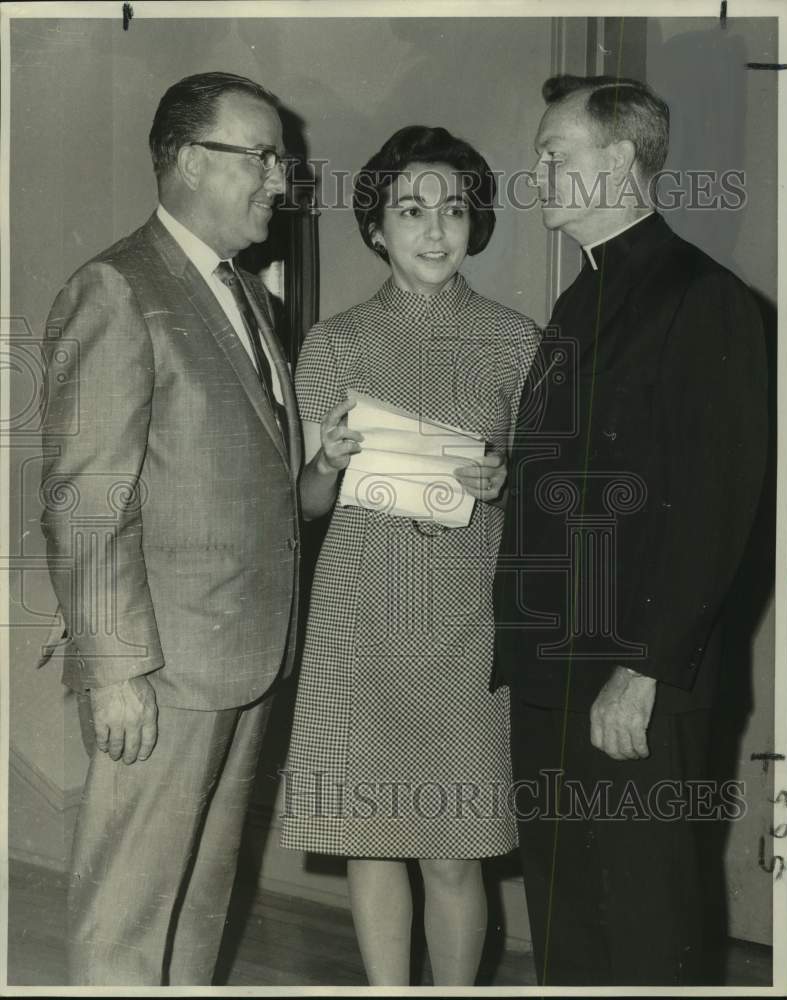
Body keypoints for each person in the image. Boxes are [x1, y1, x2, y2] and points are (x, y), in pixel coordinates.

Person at [493, 74, 768, 986]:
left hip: (629, 678)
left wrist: (644, 671)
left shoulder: (703, 298)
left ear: (618, 161)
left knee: (644, 926)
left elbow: (712, 509)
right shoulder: (581, 299)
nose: (533, 174)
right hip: (549, 668)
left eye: (552, 155)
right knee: (566, 919)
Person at [39, 71, 302, 986]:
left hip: (243, 656)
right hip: (161, 668)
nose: (282, 176)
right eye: (262, 155)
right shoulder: (118, 288)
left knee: (199, 901)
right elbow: (86, 501)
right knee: (127, 916)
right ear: (190, 161)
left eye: (282, 156)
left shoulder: (249, 297)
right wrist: (114, 669)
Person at [280, 125, 540, 986]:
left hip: (464, 624)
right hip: (359, 617)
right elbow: (308, 505)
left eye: (454, 209)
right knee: (370, 836)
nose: (435, 229)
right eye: (411, 209)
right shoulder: (335, 342)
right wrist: (324, 465)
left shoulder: (515, 341)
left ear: (475, 224)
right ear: (376, 228)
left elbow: (546, 498)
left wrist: (507, 479)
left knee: (455, 849)